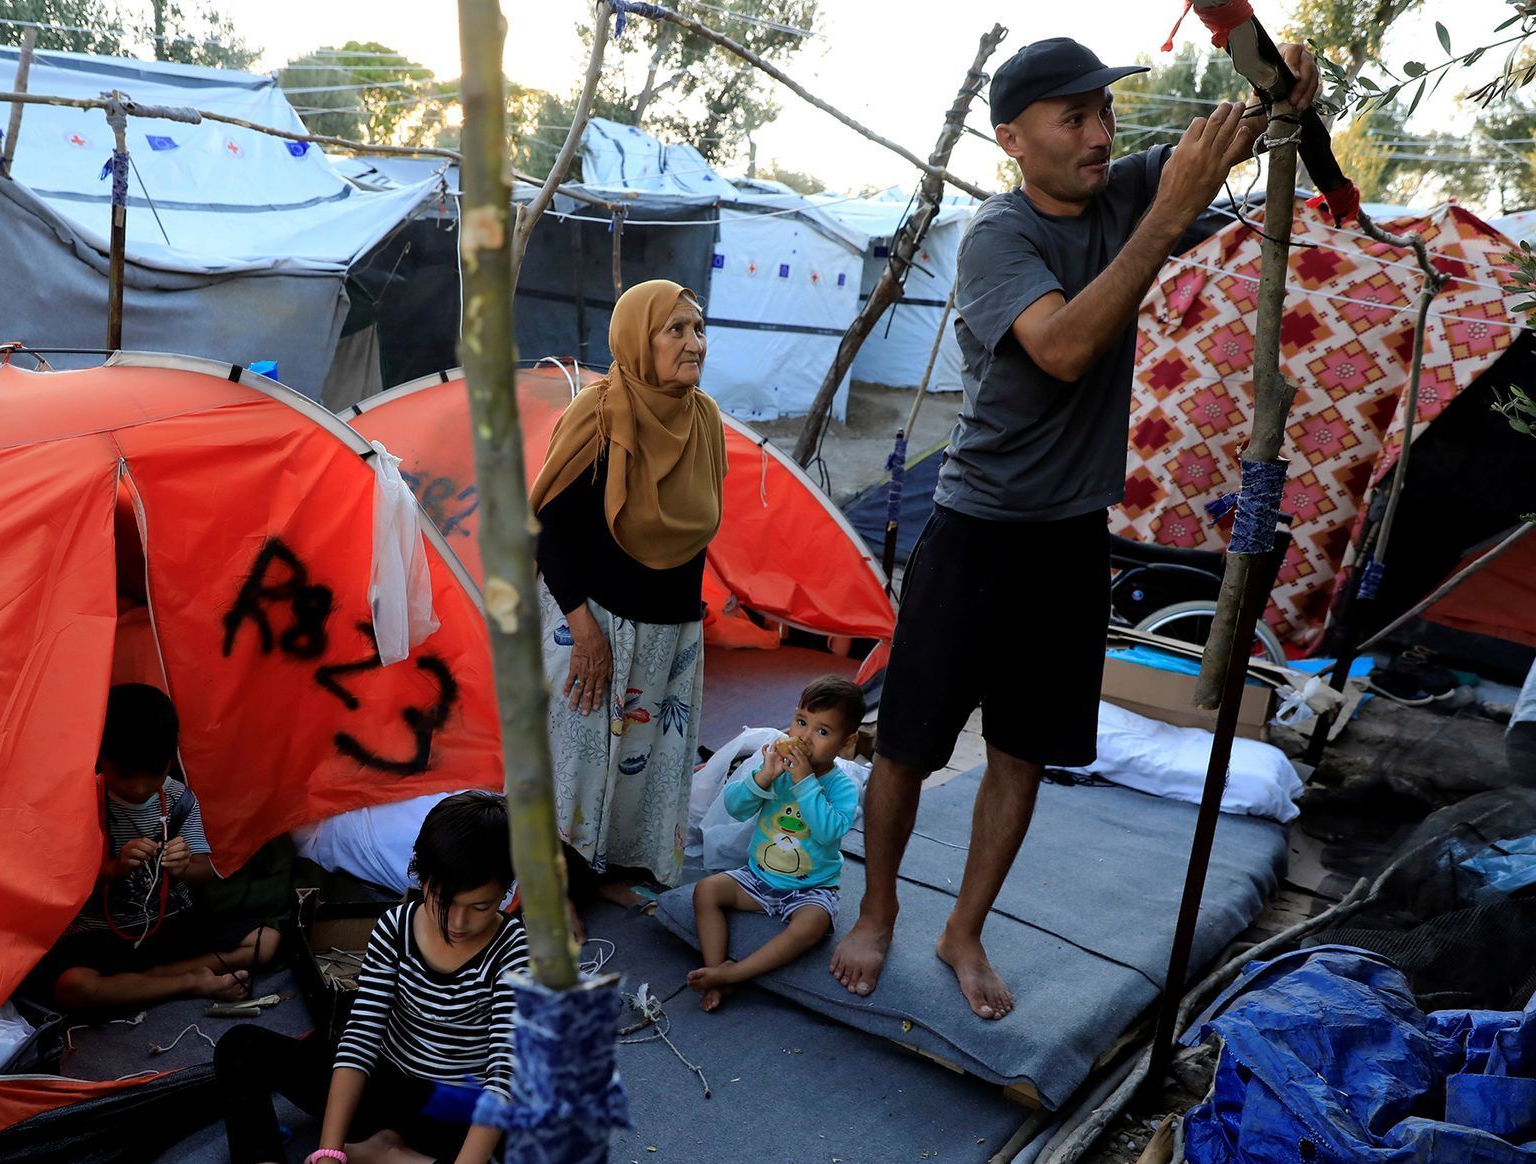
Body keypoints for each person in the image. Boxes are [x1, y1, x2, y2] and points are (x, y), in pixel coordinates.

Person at [829, 37, 1322, 1019]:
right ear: (1013, 138)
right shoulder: (995, 237)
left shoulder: (1129, 188)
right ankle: (878, 906)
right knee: (910, 747)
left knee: (1021, 752)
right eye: (1074, 117)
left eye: (1105, 112)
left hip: (1069, 539)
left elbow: (1251, 135)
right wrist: (1171, 210)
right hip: (975, 528)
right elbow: (1060, 347)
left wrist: (1289, 95)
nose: (1101, 135)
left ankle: (962, 927)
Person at [215, 792, 529, 1164]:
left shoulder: (515, 952)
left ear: (507, 892)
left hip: (452, 1105)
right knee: (239, 1048)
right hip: (383, 1083)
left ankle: (393, 1158)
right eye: (443, 902)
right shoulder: (394, 926)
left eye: (480, 907)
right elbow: (358, 1040)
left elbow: (502, 1078)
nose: (457, 923)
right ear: (420, 875)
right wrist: (328, 1153)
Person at [532, 279, 727, 902]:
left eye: (698, 329)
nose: (693, 343)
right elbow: (547, 529)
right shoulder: (598, 413)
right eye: (676, 330)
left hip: (671, 626)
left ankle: (609, 870)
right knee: (576, 764)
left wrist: (683, 634)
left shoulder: (705, 421)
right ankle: (554, 894)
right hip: (592, 621)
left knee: (645, 760)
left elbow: (695, 537)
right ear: (639, 340)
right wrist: (583, 630)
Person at [45, 682, 278, 1011]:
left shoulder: (180, 799)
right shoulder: (82, 800)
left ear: (170, 761)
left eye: (153, 773)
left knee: (266, 941)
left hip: (169, 924)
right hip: (103, 934)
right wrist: (112, 868)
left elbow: (205, 870)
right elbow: (59, 882)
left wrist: (185, 868)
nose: (139, 788)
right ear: (100, 757)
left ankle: (149, 979)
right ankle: (190, 981)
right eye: (124, 775)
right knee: (72, 985)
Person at [688, 675, 865, 1013]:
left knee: (813, 925)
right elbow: (735, 807)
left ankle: (737, 972)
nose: (804, 737)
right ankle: (717, 969)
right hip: (758, 876)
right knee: (706, 891)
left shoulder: (842, 787)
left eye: (822, 731)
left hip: (811, 887)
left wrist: (804, 781)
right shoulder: (775, 767)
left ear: (847, 743)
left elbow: (828, 833)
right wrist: (763, 778)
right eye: (801, 722)